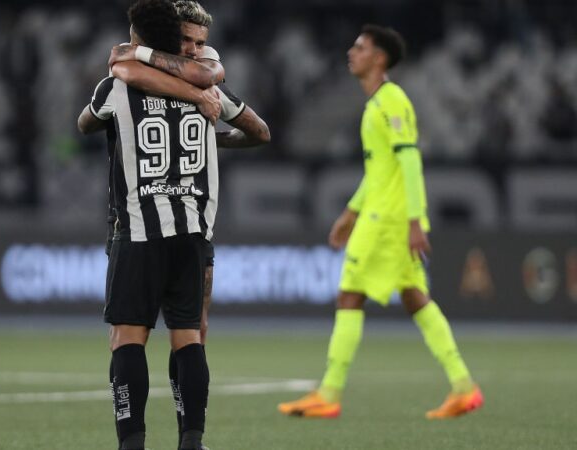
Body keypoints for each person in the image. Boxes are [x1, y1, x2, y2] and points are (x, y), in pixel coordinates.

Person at [277, 25, 483, 419]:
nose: (351, 52)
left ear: (380, 58)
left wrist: (415, 221)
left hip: (388, 220)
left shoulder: (391, 101)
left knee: (350, 295)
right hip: (384, 215)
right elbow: (380, 172)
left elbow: (410, 160)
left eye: (360, 47)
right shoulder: (377, 104)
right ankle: (463, 385)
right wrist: (350, 212)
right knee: (413, 297)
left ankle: (329, 393)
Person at [78, 0, 255, 447]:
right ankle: (191, 441)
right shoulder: (214, 90)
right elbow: (260, 131)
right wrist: (210, 135)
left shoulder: (117, 84)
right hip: (193, 232)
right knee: (189, 337)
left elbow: (84, 123)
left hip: (138, 229)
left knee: (127, 339)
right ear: (176, 40)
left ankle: (131, 442)